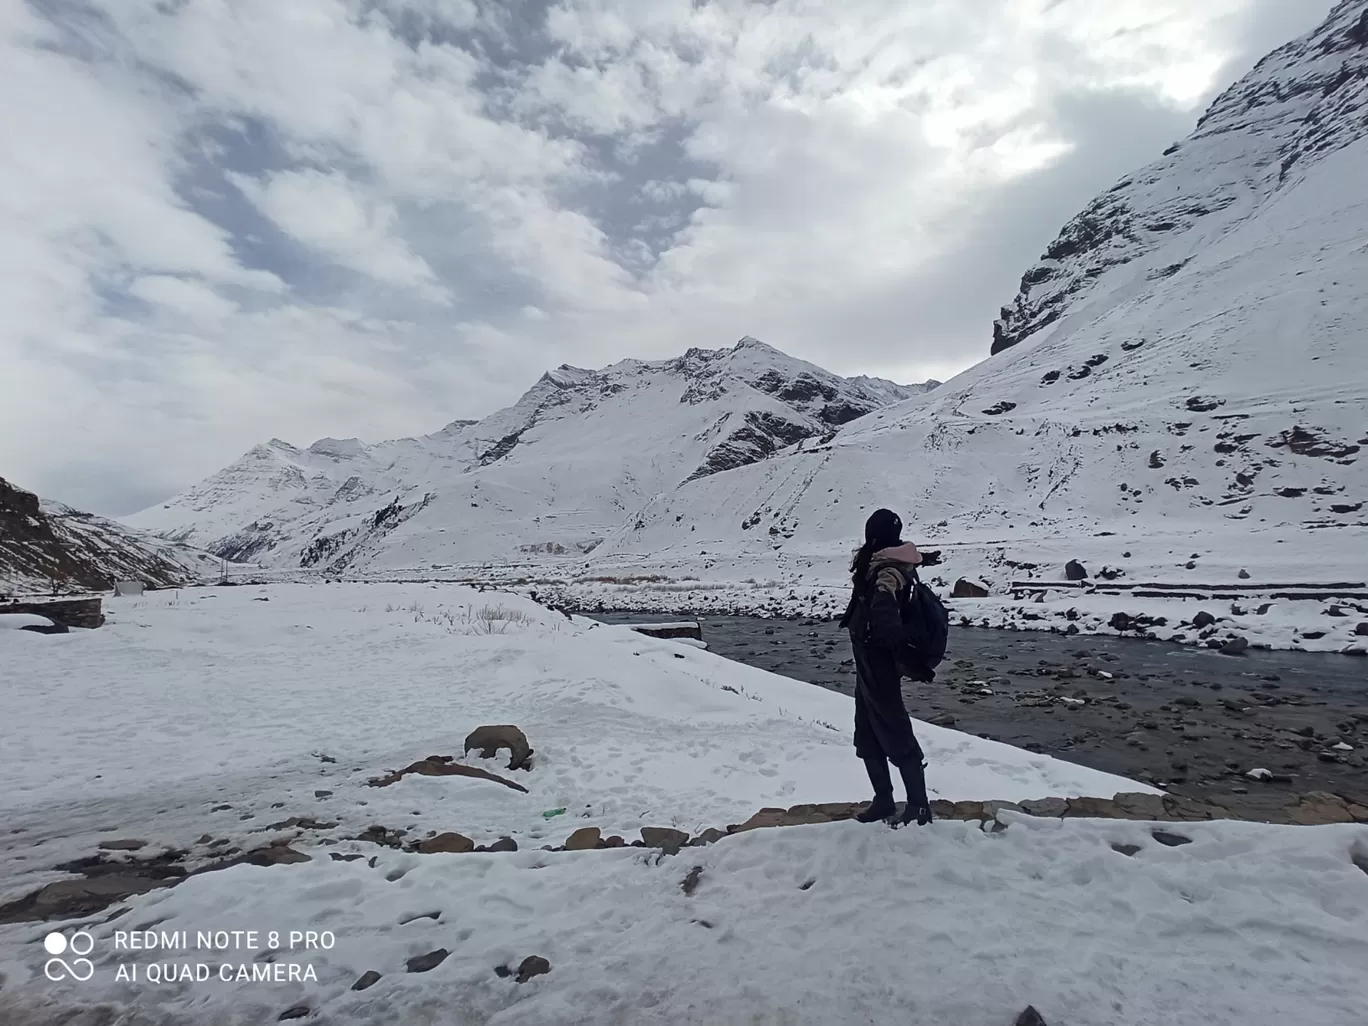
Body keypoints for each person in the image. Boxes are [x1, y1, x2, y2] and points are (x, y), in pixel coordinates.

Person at [837, 508, 934, 827]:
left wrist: (896, 644)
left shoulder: (886, 570)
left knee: (895, 730)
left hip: (878, 662)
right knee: (866, 733)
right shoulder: (882, 561)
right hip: (867, 663)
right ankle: (883, 801)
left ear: (874, 536)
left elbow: (884, 605)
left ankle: (919, 806)